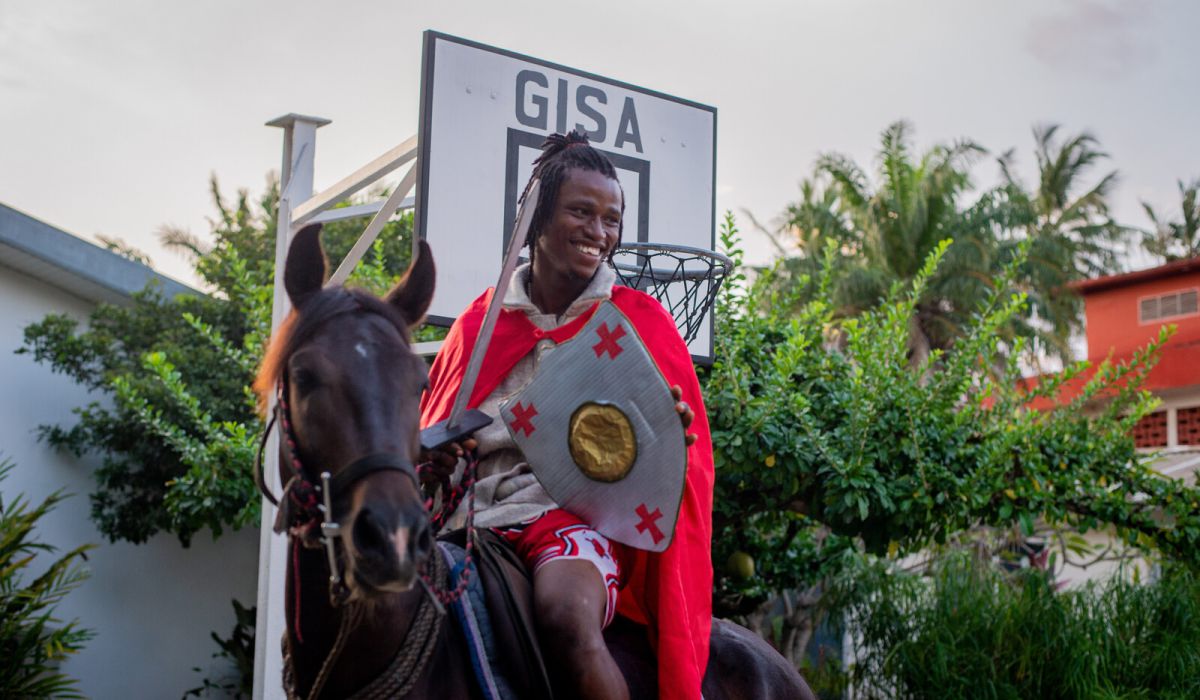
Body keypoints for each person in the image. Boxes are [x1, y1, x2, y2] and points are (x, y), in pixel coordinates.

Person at [420, 131, 714, 700]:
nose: (598, 232)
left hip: (571, 522)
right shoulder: (478, 326)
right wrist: (434, 456)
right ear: (537, 220)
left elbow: (681, 464)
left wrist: (664, 437)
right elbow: (432, 438)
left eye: (611, 219)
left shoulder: (638, 322)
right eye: (581, 212)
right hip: (469, 521)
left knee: (565, 616)